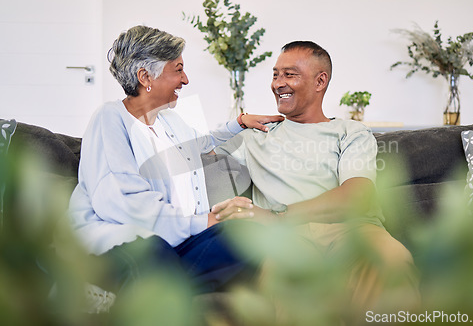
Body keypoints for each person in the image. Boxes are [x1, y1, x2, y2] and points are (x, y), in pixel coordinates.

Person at [65, 25, 283, 296]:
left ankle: (168, 294)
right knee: (155, 253)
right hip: (126, 240)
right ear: (146, 76)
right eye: (178, 70)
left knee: (247, 236)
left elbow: (203, 143)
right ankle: (161, 292)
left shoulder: (168, 120)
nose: (186, 80)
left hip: (178, 239)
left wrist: (240, 122)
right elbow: (124, 204)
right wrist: (203, 221)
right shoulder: (110, 118)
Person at [212, 41, 420, 319]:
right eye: (275, 75)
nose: (278, 84)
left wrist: (277, 216)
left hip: (355, 230)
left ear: (320, 80)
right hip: (289, 239)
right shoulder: (256, 134)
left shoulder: (351, 131)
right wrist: (237, 122)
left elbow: (355, 196)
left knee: (393, 261)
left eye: (289, 74)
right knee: (285, 275)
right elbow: (188, 153)